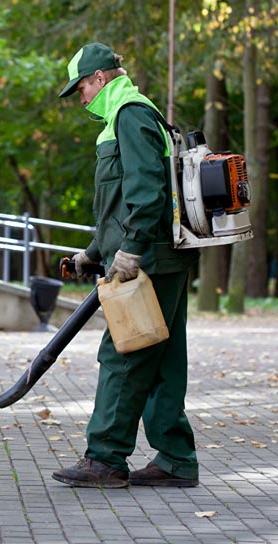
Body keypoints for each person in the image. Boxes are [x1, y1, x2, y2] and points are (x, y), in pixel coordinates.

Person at [50, 42, 200, 489]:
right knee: (164, 360)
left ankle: (106, 459)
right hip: (160, 256)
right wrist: (91, 255)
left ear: (98, 78)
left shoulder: (130, 114)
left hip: (149, 258)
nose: (81, 99)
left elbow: (147, 189)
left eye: (81, 89)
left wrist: (131, 251)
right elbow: (117, 205)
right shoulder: (128, 116)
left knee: (123, 355)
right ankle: (176, 460)